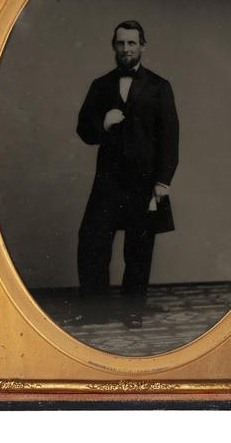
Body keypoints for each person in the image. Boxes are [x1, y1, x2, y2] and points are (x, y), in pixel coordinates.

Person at [76, 20, 179, 329]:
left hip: (144, 181)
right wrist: (103, 123)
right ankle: (95, 310)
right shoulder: (101, 85)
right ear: (114, 46)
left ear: (142, 46)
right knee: (92, 241)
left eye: (131, 43)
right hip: (108, 181)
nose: (126, 49)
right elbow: (84, 130)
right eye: (120, 43)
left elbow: (170, 137)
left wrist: (163, 181)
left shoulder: (160, 86)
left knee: (139, 248)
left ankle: (133, 311)